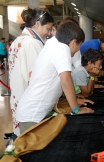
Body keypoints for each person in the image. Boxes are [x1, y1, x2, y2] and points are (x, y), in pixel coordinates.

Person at [16, 20, 94, 134]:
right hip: (33, 114)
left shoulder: (53, 42)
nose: (78, 50)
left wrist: (74, 100)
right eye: (79, 45)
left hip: (31, 110)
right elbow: (66, 81)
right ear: (73, 42)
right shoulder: (62, 49)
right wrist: (76, 109)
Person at [8, 8, 54, 136]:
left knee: (21, 137)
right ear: (37, 24)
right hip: (31, 106)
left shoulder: (17, 41)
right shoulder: (33, 43)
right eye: (48, 28)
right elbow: (39, 78)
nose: (49, 33)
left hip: (18, 97)